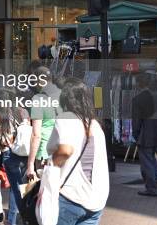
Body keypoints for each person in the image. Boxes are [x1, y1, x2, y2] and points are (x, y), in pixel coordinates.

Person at [47, 77, 109, 224]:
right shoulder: (95, 124)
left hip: (71, 196)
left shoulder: (66, 118)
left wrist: (52, 165)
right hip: (97, 199)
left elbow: (65, 150)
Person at [0, 94, 30, 225]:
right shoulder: (23, 111)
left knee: (14, 187)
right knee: (21, 186)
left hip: (8, 152)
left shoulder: (0, 112)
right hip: (24, 152)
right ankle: (22, 217)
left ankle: (12, 220)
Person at [132, 73, 157, 196]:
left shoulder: (137, 99)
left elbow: (136, 122)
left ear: (139, 84)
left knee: (147, 162)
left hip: (145, 135)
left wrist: (136, 136)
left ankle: (151, 188)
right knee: (152, 160)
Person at [26, 66, 61, 181]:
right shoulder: (63, 95)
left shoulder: (38, 99)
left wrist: (30, 164)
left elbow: (36, 134)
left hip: (44, 152)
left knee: (44, 192)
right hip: (61, 149)